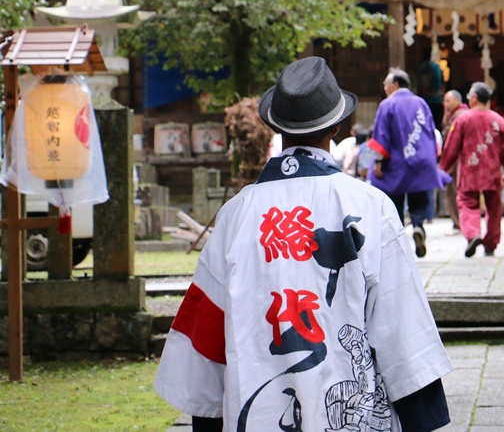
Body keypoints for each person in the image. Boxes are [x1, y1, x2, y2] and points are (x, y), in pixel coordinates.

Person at [154, 57, 453, 432]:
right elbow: (401, 328)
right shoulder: (369, 207)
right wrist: (421, 418)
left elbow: (204, 348)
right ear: (338, 126)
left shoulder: (236, 215)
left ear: (275, 128)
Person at [368, 68, 446, 258]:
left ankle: (399, 237)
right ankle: (418, 226)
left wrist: (378, 160)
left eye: (386, 84)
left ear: (395, 85)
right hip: (420, 160)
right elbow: (430, 131)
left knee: (394, 198)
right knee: (418, 195)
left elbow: (381, 135)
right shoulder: (421, 103)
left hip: (396, 161)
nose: (384, 88)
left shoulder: (387, 105)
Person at [439, 82, 504, 258]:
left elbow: (452, 146)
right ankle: (491, 243)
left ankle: (473, 234)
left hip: (470, 170)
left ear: (474, 98)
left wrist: (444, 167)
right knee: (494, 208)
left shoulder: (463, 119)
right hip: (492, 171)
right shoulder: (499, 120)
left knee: (467, 203)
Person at [440, 90, 469, 232]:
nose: (445, 104)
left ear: (457, 100)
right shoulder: (452, 115)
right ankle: (458, 222)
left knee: (456, 191)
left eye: (448, 101)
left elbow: (452, 141)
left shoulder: (461, 115)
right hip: (454, 160)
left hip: (458, 160)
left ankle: (460, 222)